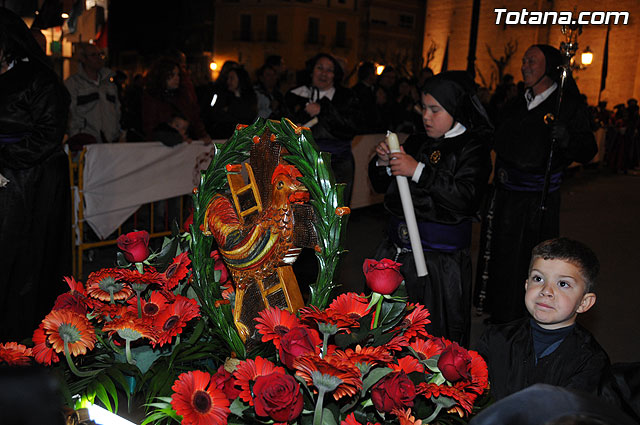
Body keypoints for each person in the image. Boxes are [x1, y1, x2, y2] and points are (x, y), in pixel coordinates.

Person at [368, 71, 493, 346]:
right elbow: (381, 188)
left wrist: (418, 171)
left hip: (439, 264)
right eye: (424, 108)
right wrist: (382, 163)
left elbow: (466, 197)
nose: (426, 116)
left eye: (435, 110)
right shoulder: (417, 141)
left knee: (432, 339)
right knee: (387, 334)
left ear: (456, 109)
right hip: (395, 254)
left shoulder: (473, 149)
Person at [477, 44, 597, 324]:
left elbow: (588, 148)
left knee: (532, 260)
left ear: (549, 68)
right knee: (502, 257)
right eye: (523, 60)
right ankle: (501, 313)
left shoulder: (567, 104)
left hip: (537, 200)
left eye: (532, 61)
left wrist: (567, 138)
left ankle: (526, 316)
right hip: (506, 197)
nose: (524, 66)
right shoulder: (516, 102)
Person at [0, 7, 71, 342]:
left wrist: (4, 157)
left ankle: (22, 334)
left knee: (26, 255)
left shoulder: (40, 80)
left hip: (33, 180)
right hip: (9, 174)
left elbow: (47, 134)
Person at [476, 238, 610, 401]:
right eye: (538, 279)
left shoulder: (590, 361)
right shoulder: (495, 338)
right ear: (526, 286)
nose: (546, 291)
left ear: (584, 302)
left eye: (563, 284)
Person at [285, 52, 361, 206]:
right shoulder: (295, 95)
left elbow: (352, 127)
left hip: (337, 165)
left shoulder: (346, 97)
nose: (324, 73)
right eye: (320, 68)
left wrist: (323, 111)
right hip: (302, 163)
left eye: (329, 70)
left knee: (334, 210)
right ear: (312, 70)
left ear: (335, 75)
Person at [142, 57, 211, 143]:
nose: (176, 78)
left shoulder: (184, 96)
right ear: (162, 76)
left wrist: (202, 135)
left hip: (185, 144)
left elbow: (194, 118)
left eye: (178, 75)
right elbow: (150, 128)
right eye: (171, 75)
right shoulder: (152, 99)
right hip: (160, 147)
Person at [64, 42, 122, 145]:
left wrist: (117, 134)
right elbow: (69, 113)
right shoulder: (73, 84)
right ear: (83, 58)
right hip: (85, 144)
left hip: (109, 143)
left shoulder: (109, 85)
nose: (98, 58)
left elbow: (117, 111)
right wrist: (76, 136)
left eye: (100, 55)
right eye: (93, 55)